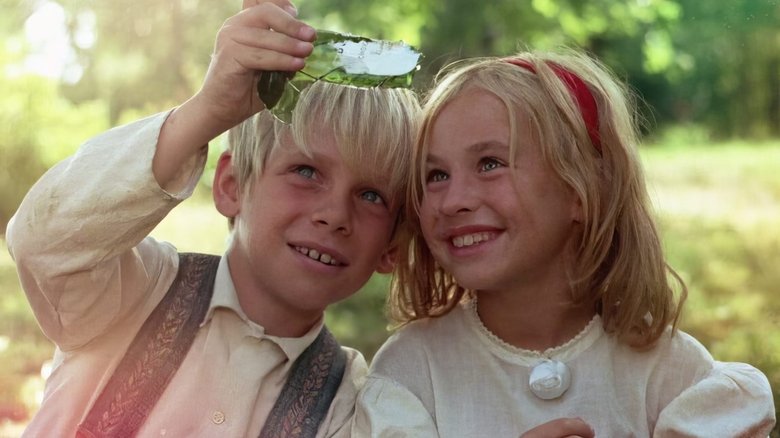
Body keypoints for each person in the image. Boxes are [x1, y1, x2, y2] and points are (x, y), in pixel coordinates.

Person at [5, 0, 420, 436]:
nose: (335, 215)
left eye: (371, 195)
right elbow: (44, 241)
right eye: (306, 172)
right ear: (231, 185)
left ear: (391, 247)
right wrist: (208, 111)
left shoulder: (347, 410)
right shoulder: (131, 293)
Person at [352, 49, 776, 437]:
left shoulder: (669, 372)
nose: (454, 201)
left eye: (490, 164)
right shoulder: (413, 372)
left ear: (581, 191)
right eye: (436, 175)